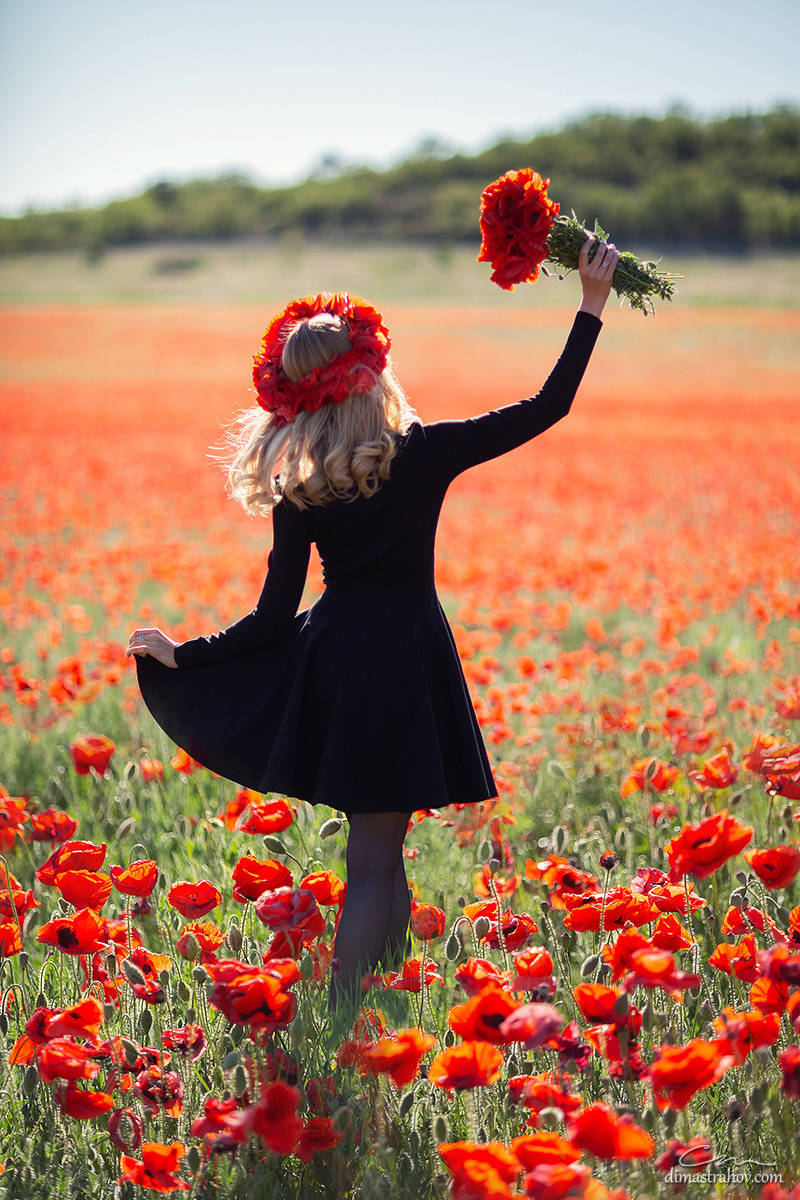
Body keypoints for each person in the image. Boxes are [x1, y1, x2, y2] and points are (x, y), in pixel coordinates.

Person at [127, 235, 620, 1020]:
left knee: (380, 852)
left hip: (338, 661)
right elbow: (546, 406)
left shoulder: (303, 486)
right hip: (406, 659)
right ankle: (339, 1021)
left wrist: (184, 655)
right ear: (374, 374)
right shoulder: (421, 454)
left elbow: (271, 618)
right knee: (374, 859)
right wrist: (590, 306)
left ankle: (378, 1009)